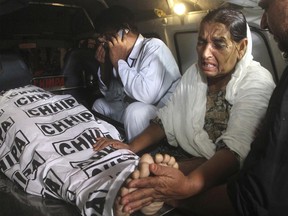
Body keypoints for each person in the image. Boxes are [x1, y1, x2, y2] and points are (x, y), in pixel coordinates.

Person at [92, 6, 278, 215]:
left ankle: (163, 190)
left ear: (241, 47)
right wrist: (129, 147)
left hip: (222, 166)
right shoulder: (194, 74)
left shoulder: (257, 82)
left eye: (218, 44)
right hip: (187, 154)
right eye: (201, 42)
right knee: (135, 176)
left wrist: (185, 187)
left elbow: (236, 149)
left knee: (148, 181)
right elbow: (166, 119)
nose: (206, 53)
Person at [0, 84, 180, 216]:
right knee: (41, 145)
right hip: (14, 112)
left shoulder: (38, 89)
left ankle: (134, 179)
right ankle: (117, 196)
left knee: (97, 142)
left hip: (58, 107)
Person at [91, 6, 181, 142]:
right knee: (100, 105)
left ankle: (139, 155)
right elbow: (112, 96)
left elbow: (146, 95)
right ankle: (110, 148)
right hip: (136, 109)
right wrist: (104, 66)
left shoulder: (154, 46)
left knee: (135, 111)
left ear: (123, 30)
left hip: (164, 115)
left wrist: (119, 62)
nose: (102, 41)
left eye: (106, 35)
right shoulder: (120, 56)